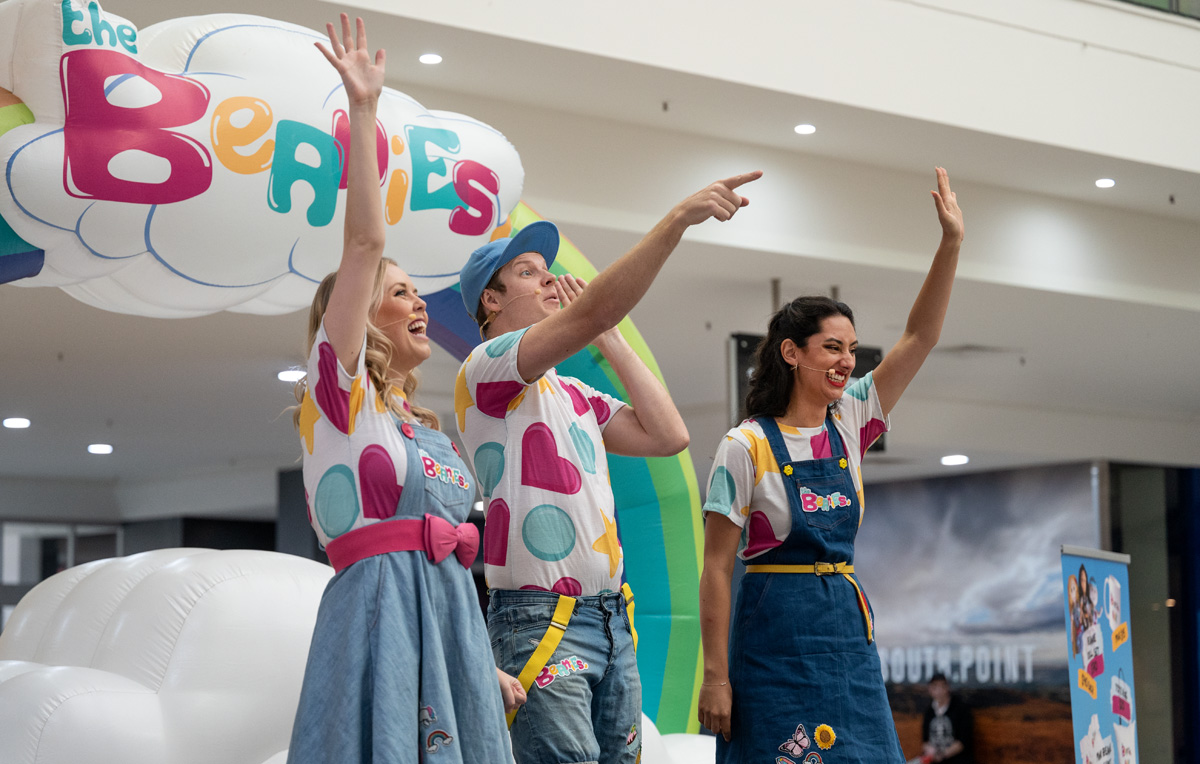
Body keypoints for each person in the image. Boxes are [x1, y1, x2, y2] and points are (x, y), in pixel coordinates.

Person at [455, 170, 761, 764]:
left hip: (611, 615)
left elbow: (668, 435)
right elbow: (592, 311)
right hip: (537, 617)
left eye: (546, 269)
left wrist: (612, 338)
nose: (549, 277)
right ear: (491, 300)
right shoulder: (486, 367)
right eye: (528, 272)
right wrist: (678, 220)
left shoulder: (572, 392)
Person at [286, 15, 522, 763]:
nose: (419, 302)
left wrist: (476, 663)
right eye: (399, 292)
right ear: (356, 315)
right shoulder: (340, 395)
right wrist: (364, 111)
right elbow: (365, 241)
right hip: (375, 623)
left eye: (419, 291)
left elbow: (440, 559)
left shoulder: (424, 425)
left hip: (448, 625)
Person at [697, 168, 964, 763]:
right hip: (770, 651)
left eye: (852, 349)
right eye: (832, 348)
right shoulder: (744, 446)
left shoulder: (851, 421)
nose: (847, 362)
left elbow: (920, 336)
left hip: (846, 642)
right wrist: (716, 677)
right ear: (792, 353)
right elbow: (715, 568)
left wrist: (950, 244)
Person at [921, 673, 974, 764]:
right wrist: (930, 751)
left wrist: (943, 754)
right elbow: (925, 741)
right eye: (935, 687)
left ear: (947, 687)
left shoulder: (961, 709)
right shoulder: (929, 711)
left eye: (942, 686)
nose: (938, 691)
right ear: (930, 689)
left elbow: (963, 741)